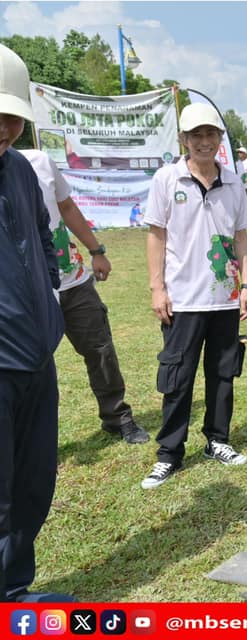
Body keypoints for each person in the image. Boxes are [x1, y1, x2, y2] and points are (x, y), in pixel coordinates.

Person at [142, 103, 247, 489]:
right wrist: (158, 288)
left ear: (220, 139)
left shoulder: (235, 183)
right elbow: (156, 235)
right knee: (178, 378)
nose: (204, 142)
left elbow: (241, 238)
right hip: (183, 300)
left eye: (211, 135)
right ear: (184, 140)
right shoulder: (167, 179)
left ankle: (217, 440)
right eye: (197, 136)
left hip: (224, 298)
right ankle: (169, 453)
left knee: (223, 374)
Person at [0, 42, 73, 603]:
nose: (3, 128)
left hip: (35, 354)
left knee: (32, 480)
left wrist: (49, 297)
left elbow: (46, 238)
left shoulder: (22, 169)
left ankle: (14, 588)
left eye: (12, 118)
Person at [22, 149, 150, 445]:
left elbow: (66, 207)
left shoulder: (40, 161)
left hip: (73, 280)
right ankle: (32, 439)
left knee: (100, 349)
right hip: (28, 291)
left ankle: (117, 417)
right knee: (31, 366)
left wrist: (96, 251)